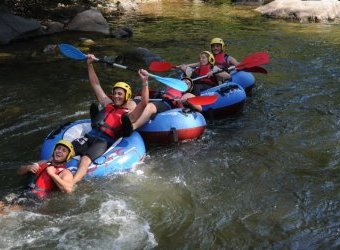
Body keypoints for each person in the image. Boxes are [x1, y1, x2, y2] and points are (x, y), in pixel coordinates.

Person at [72, 54, 149, 184]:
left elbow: (144, 103)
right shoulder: (108, 103)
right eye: (115, 93)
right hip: (90, 135)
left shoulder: (129, 115)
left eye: (120, 94)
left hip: (103, 142)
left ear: (126, 96)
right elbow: (95, 84)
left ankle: (71, 183)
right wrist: (90, 64)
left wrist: (145, 82)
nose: (116, 96)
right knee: (65, 149)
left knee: (85, 159)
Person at [0, 140, 75, 215]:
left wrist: (52, 174)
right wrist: (28, 167)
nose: (59, 151)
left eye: (64, 150)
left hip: (35, 199)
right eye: (58, 148)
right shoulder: (43, 162)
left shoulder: (65, 172)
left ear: (68, 156)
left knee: (7, 212)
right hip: (23, 192)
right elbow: (19, 172)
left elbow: (68, 189)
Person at [121, 77, 202, 135]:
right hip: (157, 98)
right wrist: (141, 98)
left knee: (150, 106)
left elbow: (200, 108)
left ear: (190, 88)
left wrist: (187, 101)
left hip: (167, 103)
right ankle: (126, 120)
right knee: (132, 102)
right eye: (183, 81)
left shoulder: (187, 94)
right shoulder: (167, 90)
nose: (184, 83)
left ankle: (133, 127)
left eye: (187, 83)